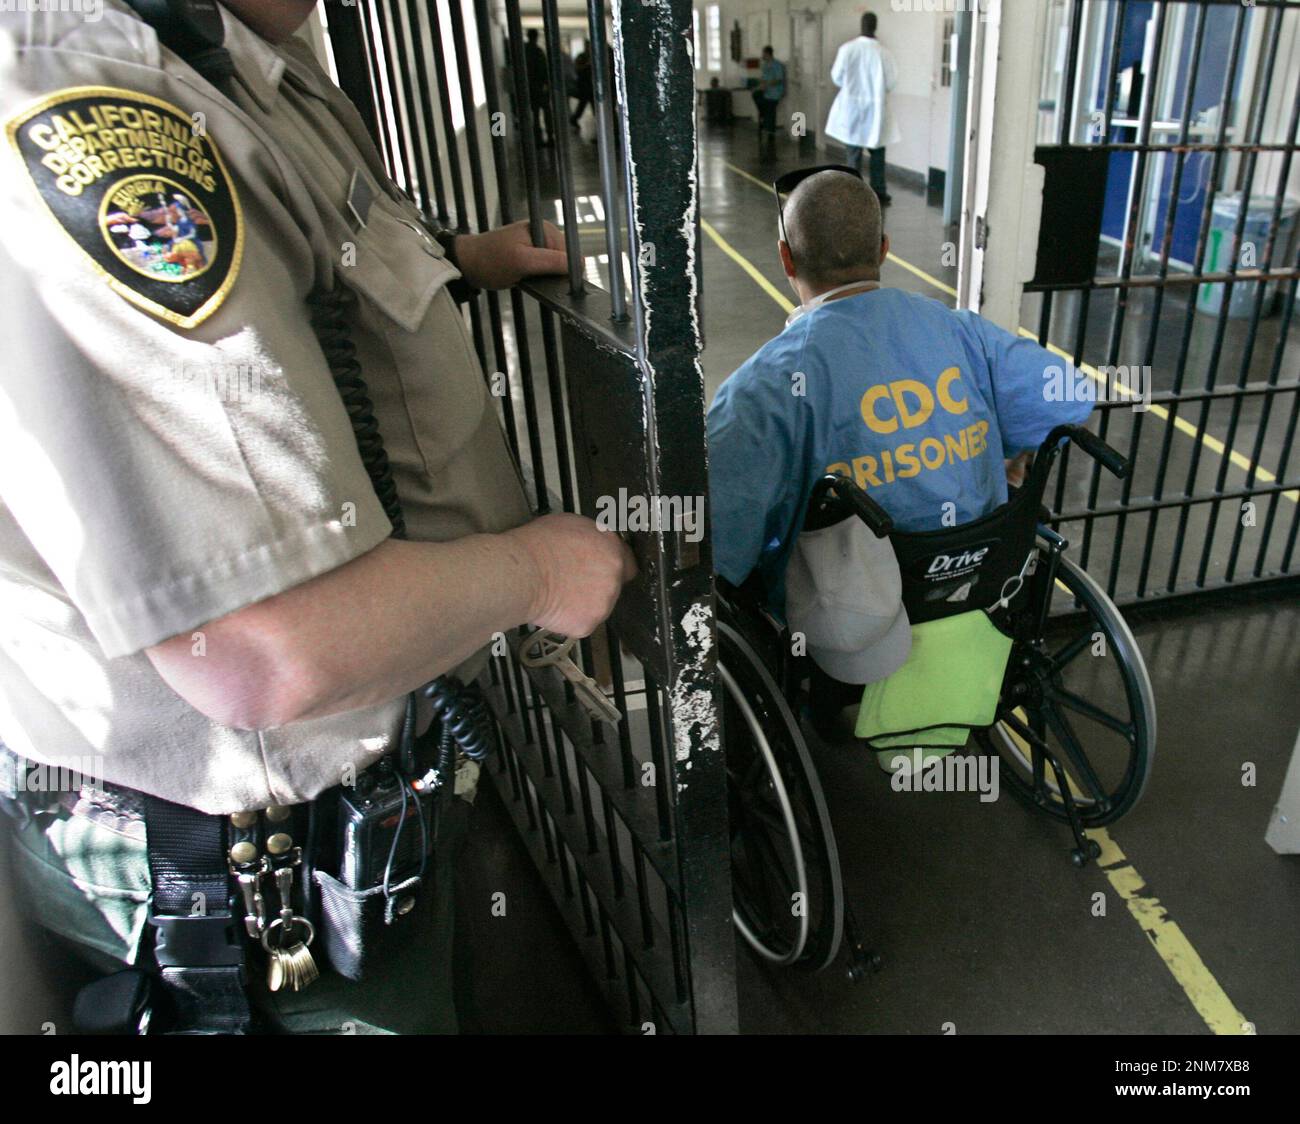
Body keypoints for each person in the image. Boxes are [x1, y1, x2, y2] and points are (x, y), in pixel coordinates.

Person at [0, 0, 634, 1034]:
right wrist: (537, 573)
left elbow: (314, 268)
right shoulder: (92, 102)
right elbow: (260, 654)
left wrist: (459, 258)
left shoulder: (251, 60)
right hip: (250, 873)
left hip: (370, 785)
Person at [707, 169, 1093, 623]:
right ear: (884, 249)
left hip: (845, 616)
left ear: (786, 260)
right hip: (977, 581)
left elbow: (719, 536)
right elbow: (1069, 396)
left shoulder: (765, 385)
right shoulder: (959, 330)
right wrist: (1003, 447)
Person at [825, 13, 899, 205]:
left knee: (853, 155)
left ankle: (853, 194)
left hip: (852, 111)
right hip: (876, 112)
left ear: (862, 25)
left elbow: (837, 78)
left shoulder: (847, 50)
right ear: (875, 27)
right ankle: (879, 193)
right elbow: (891, 83)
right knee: (877, 155)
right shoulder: (884, 53)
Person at [751, 45, 786, 162]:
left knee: (771, 110)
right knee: (756, 96)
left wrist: (767, 84)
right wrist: (760, 84)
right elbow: (763, 78)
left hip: (774, 92)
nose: (762, 56)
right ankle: (764, 118)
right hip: (767, 92)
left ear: (768, 54)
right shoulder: (766, 65)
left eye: (764, 54)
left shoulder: (777, 65)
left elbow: (779, 79)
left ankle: (770, 131)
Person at [524, 27, 553, 146]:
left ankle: (537, 139)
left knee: (534, 114)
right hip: (540, 87)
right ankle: (550, 136)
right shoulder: (538, 51)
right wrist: (547, 84)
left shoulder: (524, 51)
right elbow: (544, 69)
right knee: (546, 112)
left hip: (528, 87)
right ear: (536, 37)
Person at [570, 43, 593, 128]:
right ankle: (574, 119)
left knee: (583, 105)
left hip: (588, 85)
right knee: (582, 104)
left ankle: (574, 119)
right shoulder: (583, 57)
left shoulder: (590, 56)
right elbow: (577, 68)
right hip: (585, 85)